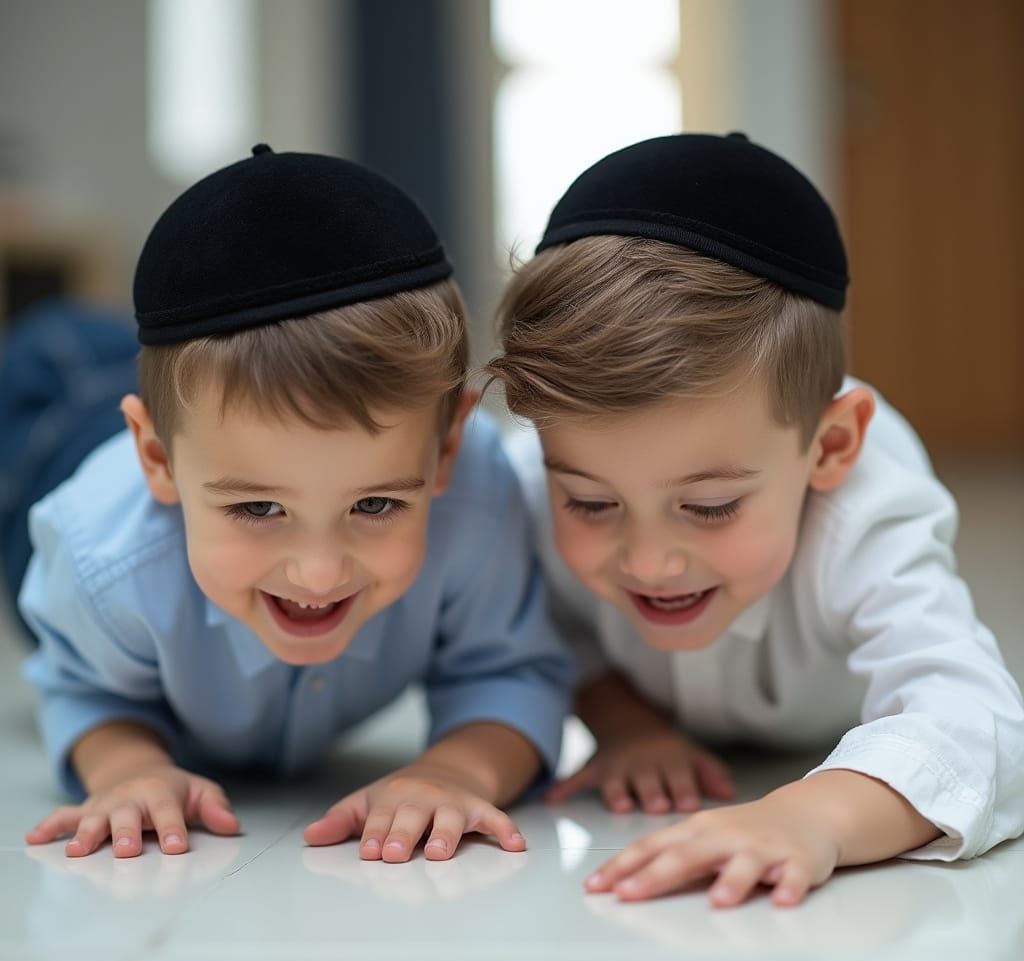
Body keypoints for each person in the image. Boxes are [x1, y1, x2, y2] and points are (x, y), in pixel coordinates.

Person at [486, 132, 1024, 908]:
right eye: (594, 504)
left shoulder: (867, 509)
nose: (649, 561)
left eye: (709, 506)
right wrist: (629, 727)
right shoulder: (533, 482)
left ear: (829, 446)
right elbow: (554, 632)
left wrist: (813, 816)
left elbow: (981, 722)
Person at [19, 144, 571, 861]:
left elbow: (509, 673)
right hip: (53, 432)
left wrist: (454, 770)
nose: (317, 574)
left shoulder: (480, 508)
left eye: (374, 505)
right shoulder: (103, 555)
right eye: (257, 509)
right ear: (156, 460)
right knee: (56, 360)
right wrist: (129, 767)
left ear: (445, 450)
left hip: (199, 434)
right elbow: (86, 690)